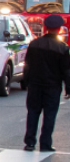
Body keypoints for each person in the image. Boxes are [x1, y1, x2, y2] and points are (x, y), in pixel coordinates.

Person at [22, 14, 70, 152]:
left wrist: (27, 81)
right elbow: (66, 70)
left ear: (46, 28)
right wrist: (68, 87)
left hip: (35, 85)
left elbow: (27, 64)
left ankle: (30, 143)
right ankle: (45, 144)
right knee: (50, 115)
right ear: (59, 29)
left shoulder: (34, 44)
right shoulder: (63, 48)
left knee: (32, 112)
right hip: (53, 86)